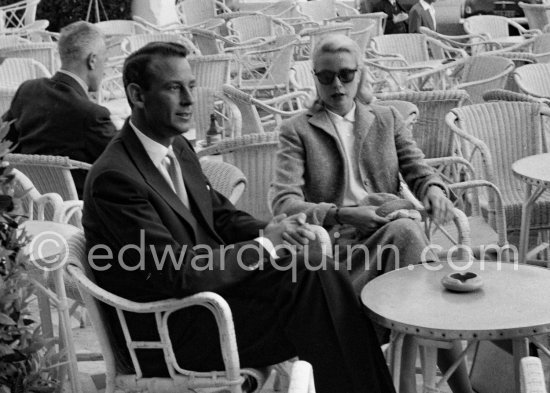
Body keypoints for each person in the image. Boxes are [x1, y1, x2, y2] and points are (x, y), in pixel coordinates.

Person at [82, 41, 396, 393]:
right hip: (170, 333)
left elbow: (221, 217)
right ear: (137, 96)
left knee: (313, 273)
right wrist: (264, 246)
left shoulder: (177, 147)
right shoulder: (116, 178)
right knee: (324, 310)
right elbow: (176, 273)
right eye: (174, 88)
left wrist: (276, 229)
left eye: (191, 87)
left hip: (211, 301)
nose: (188, 100)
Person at [269, 34, 473, 393]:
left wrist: (435, 190)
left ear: (361, 74)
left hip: (389, 235)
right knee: (416, 251)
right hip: (338, 250)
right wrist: (342, 214)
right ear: (314, 78)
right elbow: (284, 204)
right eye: (326, 76)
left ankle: (404, 382)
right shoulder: (297, 130)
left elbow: (417, 169)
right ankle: (459, 388)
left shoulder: (385, 118)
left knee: (409, 249)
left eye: (346, 75)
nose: (337, 84)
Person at [2, 21, 116, 198]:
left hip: (29, 205)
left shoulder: (28, 90)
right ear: (92, 60)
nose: (105, 70)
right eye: (105, 60)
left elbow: (4, 142)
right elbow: (128, 163)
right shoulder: (91, 114)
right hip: (76, 213)